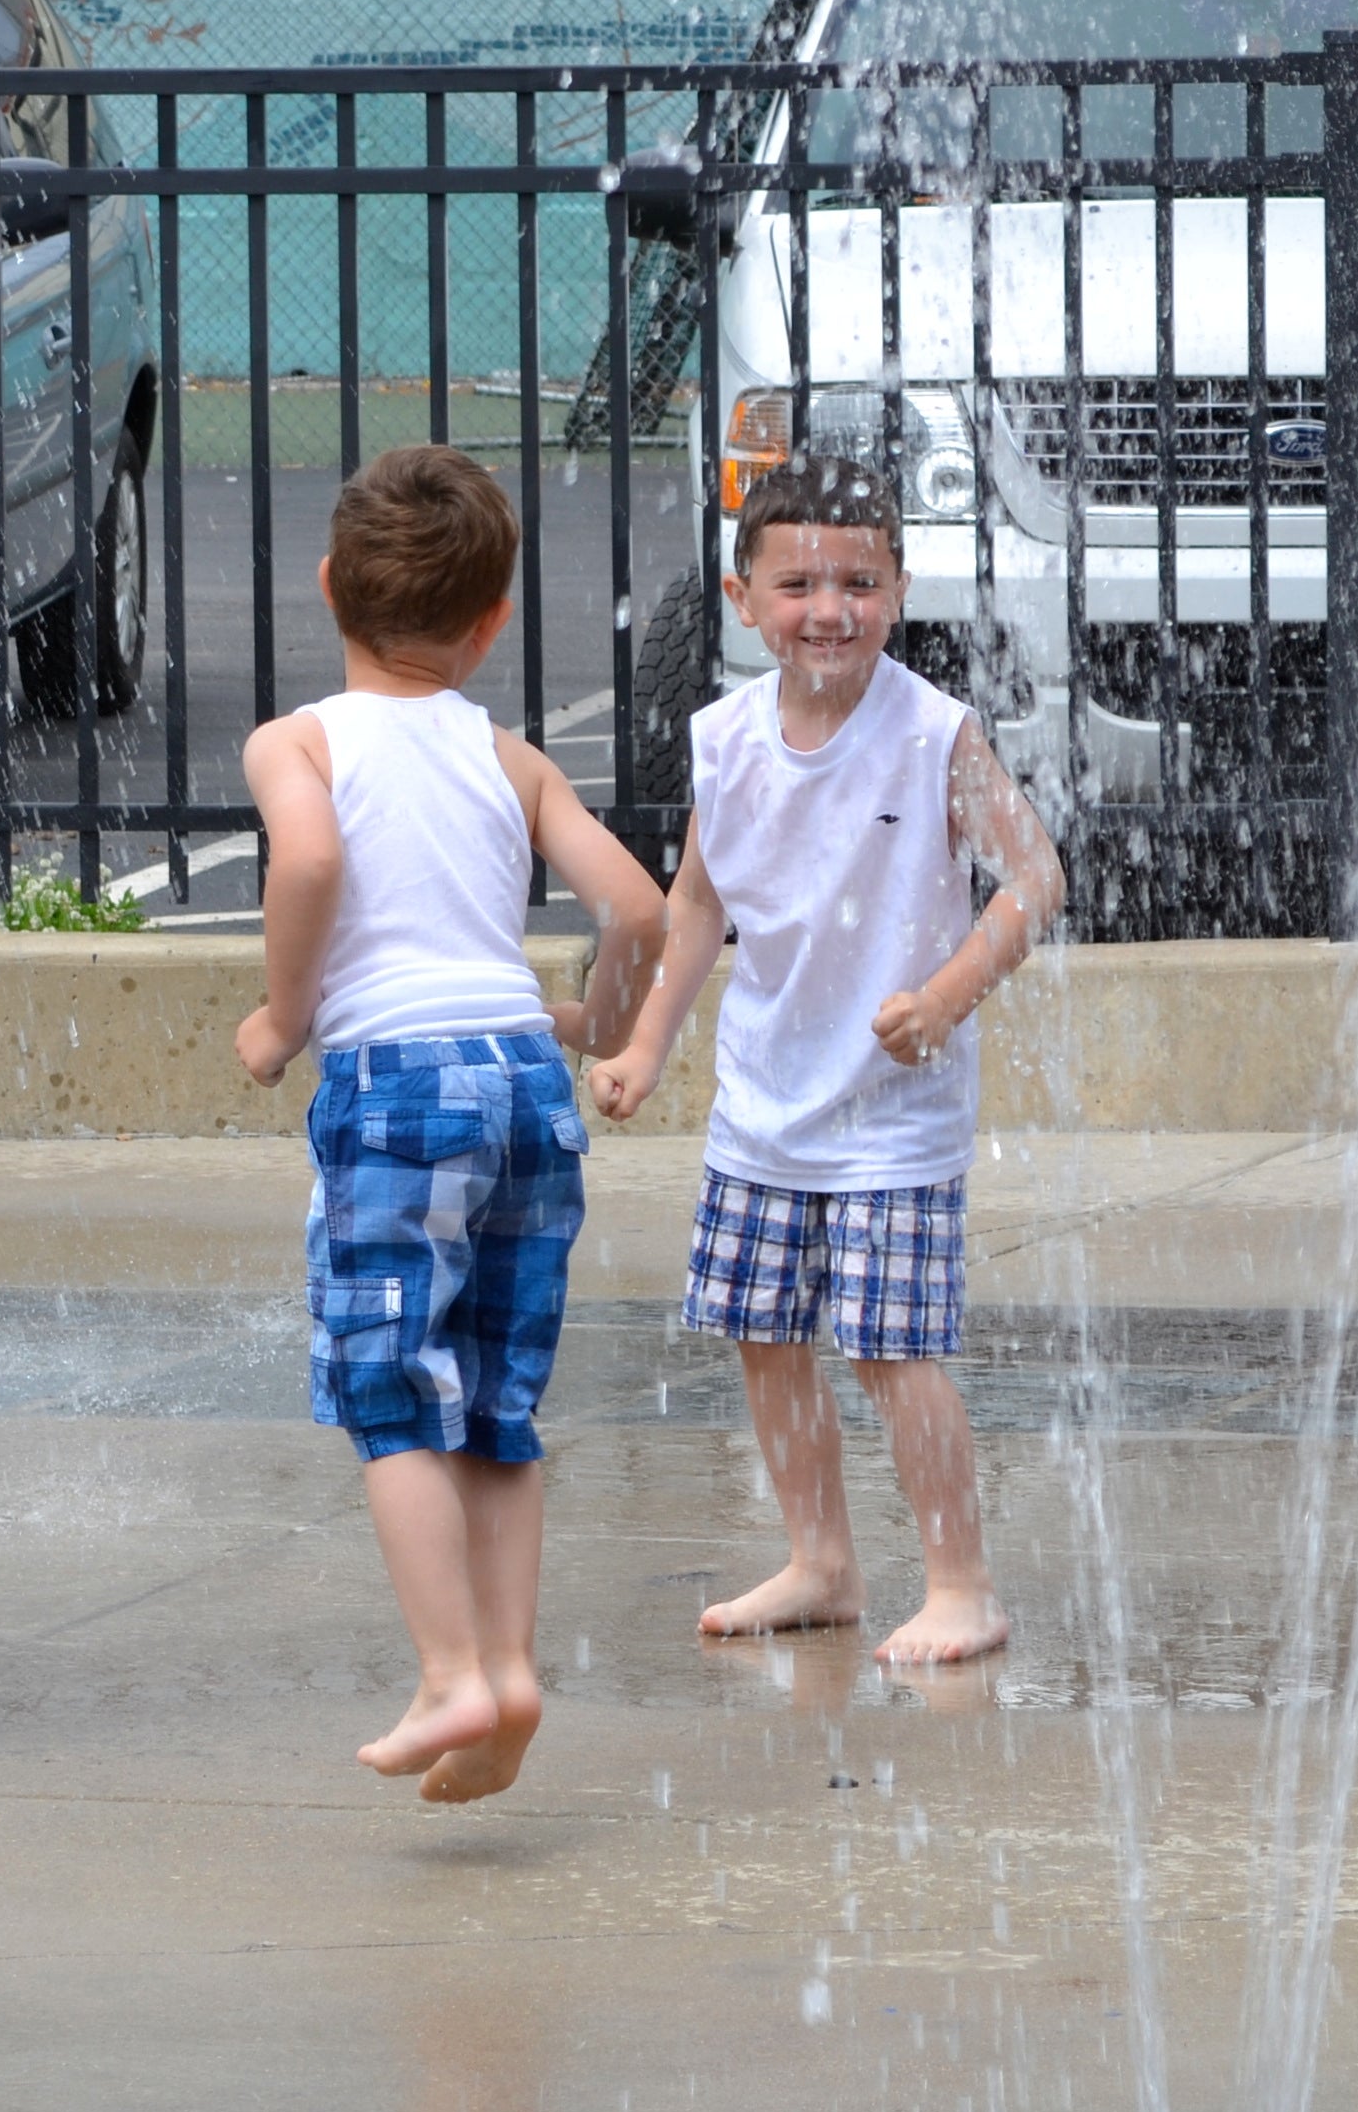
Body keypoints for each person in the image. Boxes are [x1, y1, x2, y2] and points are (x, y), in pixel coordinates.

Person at [586, 453, 1068, 1667]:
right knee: (764, 1333)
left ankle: (961, 1582)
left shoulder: (932, 734)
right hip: (764, 1101)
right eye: (797, 581)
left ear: (900, 587)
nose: (830, 607)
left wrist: (950, 994)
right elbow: (701, 906)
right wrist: (646, 1044)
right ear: (743, 599)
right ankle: (822, 1561)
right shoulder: (726, 738)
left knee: (891, 1346)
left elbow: (1036, 879)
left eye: (858, 579)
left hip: (893, 1110)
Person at [237, 442, 665, 1803]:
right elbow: (641, 911)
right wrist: (599, 1024)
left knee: (388, 1387)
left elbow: (307, 858)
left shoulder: (297, 741)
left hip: (400, 1081)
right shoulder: (508, 753)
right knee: (492, 1392)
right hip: (525, 1080)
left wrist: (282, 1014)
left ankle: (447, 1675)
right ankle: (513, 1668)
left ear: (326, 588)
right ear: (493, 623)